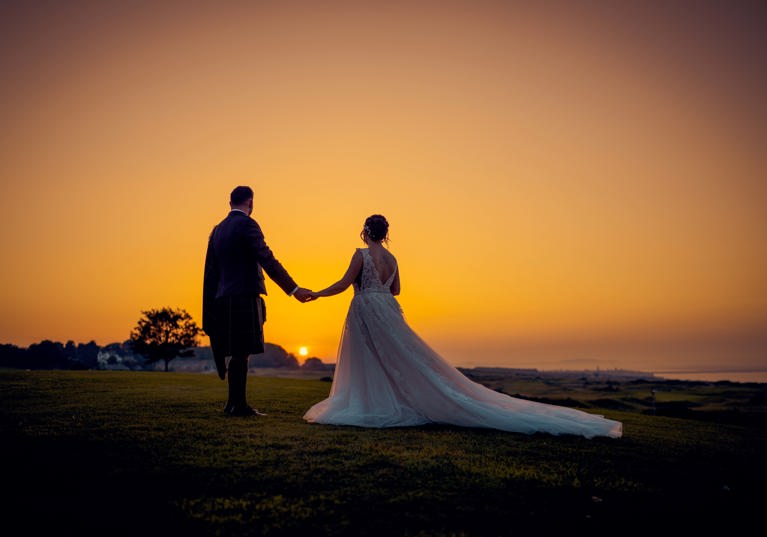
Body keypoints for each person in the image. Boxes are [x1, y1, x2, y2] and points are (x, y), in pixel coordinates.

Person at [303, 214, 622, 438]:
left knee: (370, 358)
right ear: (385, 233)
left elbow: (344, 284)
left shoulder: (361, 254)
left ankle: (375, 403)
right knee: (402, 358)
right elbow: (397, 290)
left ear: (364, 232)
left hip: (367, 307)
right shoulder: (394, 258)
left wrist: (317, 293)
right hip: (386, 305)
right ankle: (395, 398)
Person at [203, 186, 313, 416]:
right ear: (250, 203)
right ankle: (239, 405)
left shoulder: (217, 230)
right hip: (243, 295)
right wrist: (293, 289)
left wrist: (211, 308)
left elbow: (210, 273)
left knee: (235, 352)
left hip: (222, 299)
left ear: (229, 202)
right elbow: (267, 259)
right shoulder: (248, 224)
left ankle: (232, 404)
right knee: (242, 352)